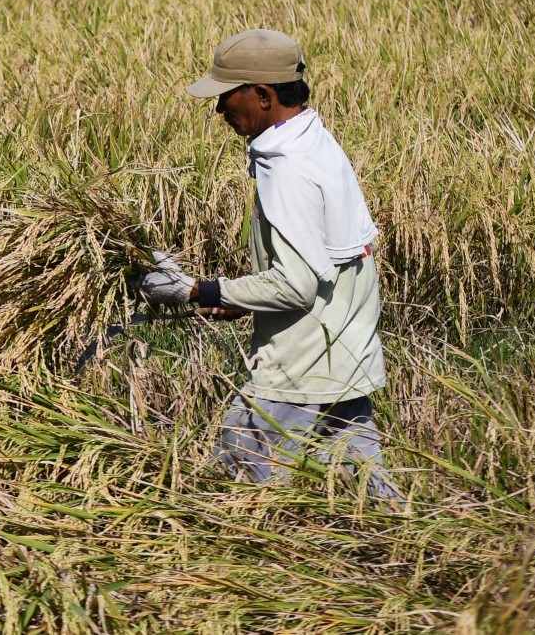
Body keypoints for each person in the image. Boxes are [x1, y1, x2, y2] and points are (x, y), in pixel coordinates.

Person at [138, 29, 403, 506]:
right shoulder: (316, 145)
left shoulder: (288, 168)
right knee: (364, 487)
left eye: (226, 95)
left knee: (243, 466)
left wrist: (196, 291)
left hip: (303, 364)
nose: (219, 109)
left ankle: (257, 569)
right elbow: (324, 267)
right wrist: (240, 301)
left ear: (262, 95)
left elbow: (296, 285)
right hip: (343, 352)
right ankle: (407, 555)